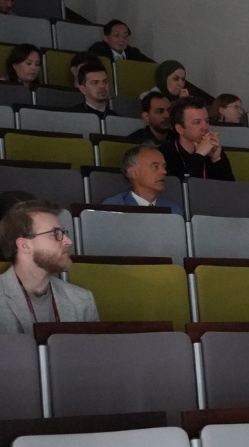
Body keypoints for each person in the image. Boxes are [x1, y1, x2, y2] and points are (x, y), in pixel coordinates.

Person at [0, 200, 99, 333]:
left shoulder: (82, 301)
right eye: (55, 234)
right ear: (24, 245)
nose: (68, 241)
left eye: (64, 233)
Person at [159, 98, 234, 180]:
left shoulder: (213, 150)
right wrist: (199, 155)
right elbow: (177, 186)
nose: (205, 127)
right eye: (197, 122)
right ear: (180, 129)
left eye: (207, 121)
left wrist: (216, 159)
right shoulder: (163, 155)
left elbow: (231, 186)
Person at [101, 143, 183, 215]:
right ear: (133, 173)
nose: (164, 171)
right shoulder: (114, 207)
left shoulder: (173, 210)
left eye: (164, 167)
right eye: (155, 167)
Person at [87, 20, 154, 62]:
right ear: (106, 38)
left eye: (125, 35)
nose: (122, 39)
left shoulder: (134, 53)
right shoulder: (98, 50)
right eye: (116, 35)